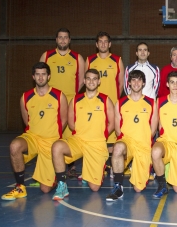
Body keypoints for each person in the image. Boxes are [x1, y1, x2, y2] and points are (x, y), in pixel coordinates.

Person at [1, 62, 68, 200]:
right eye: (37, 74)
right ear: (33, 76)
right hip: (32, 138)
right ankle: (20, 187)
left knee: (45, 189)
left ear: (49, 76)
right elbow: (27, 121)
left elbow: (64, 119)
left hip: (50, 141)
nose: (41, 77)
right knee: (15, 146)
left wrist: (52, 136)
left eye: (43, 74)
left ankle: (54, 174)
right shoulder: (25, 97)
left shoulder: (59, 96)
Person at [51, 69, 115, 200]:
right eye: (89, 78)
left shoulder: (105, 100)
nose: (91, 81)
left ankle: (89, 173)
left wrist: (100, 136)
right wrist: (84, 132)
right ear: (84, 81)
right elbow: (71, 123)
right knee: (57, 147)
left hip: (96, 143)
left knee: (94, 188)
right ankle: (62, 185)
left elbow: (112, 123)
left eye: (94, 79)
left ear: (99, 81)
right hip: (79, 140)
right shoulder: (75, 99)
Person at [106, 70, 158, 201]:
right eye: (133, 80)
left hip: (143, 145)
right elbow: (118, 130)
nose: (136, 83)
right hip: (127, 142)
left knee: (138, 189)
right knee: (118, 147)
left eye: (139, 80)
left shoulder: (152, 103)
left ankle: (137, 168)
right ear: (128, 83)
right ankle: (118, 187)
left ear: (144, 83)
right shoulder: (121, 102)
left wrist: (143, 140)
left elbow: (153, 128)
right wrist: (126, 142)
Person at [40, 28, 85, 178]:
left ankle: (71, 166)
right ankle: (49, 168)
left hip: (70, 101)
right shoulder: (46, 56)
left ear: (70, 40)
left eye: (66, 37)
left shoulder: (77, 58)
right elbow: (41, 76)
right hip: (51, 102)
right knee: (50, 133)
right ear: (56, 40)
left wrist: (70, 97)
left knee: (70, 133)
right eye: (60, 37)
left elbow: (81, 80)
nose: (63, 40)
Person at [86, 31, 124, 177]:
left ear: (110, 44)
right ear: (96, 44)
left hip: (111, 105)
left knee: (113, 138)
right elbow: (86, 82)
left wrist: (114, 101)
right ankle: (98, 166)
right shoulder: (89, 60)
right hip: (94, 106)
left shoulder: (117, 60)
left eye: (105, 41)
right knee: (97, 136)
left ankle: (113, 166)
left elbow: (120, 84)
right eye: (100, 41)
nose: (103, 44)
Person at [151, 71, 177, 199]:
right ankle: (162, 184)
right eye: (172, 82)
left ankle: (171, 166)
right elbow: (157, 125)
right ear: (167, 84)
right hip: (166, 142)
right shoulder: (160, 101)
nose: (174, 85)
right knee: (155, 152)